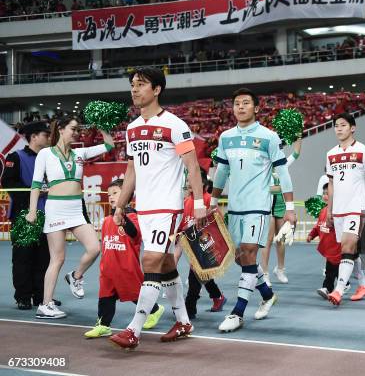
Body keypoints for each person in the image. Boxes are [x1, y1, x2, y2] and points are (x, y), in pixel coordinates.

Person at [110, 67, 205, 350]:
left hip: (167, 207)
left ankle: (134, 329)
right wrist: (121, 204)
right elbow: (131, 172)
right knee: (165, 265)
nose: (135, 89)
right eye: (132, 85)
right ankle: (184, 321)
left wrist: (198, 203)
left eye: (141, 84)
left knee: (150, 262)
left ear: (157, 89)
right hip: (144, 207)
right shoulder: (131, 128)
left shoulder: (175, 125)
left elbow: (192, 166)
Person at [213, 88, 296, 332]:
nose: (240, 107)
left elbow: (283, 171)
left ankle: (237, 312)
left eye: (246, 103)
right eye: (237, 103)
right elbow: (221, 172)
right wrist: (213, 201)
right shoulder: (225, 137)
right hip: (235, 208)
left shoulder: (269, 137)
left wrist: (290, 208)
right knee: (241, 258)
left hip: (258, 207)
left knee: (250, 252)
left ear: (256, 108)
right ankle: (268, 294)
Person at [27, 116, 114, 319]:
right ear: (62, 129)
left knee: (95, 248)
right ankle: (45, 305)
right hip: (56, 209)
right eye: (73, 129)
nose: (77, 133)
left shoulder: (80, 152)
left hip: (76, 210)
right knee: (57, 259)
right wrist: (32, 211)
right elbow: (36, 184)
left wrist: (102, 125)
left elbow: (109, 145)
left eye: (78, 130)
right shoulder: (46, 154)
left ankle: (75, 276)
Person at [84, 179, 164, 338]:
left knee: (135, 293)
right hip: (107, 269)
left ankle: (154, 310)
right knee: (105, 296)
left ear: (127, 195)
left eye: (115, 193)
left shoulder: (133, 217)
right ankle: (103, 325)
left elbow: (135, 234)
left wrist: (123, 219)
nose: (111, 197)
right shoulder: (107, 220)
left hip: (126, 267)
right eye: (109, 195)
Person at [325, 112, 365, 306]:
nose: (339, 128)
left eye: (343, 125)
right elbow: (331, 185)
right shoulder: (330, 154)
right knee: (349, 251)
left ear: (352, 128)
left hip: (356, 208)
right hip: (338, 210)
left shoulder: (364, 151)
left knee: (348, 246)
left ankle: (339, 289)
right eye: (336, 126)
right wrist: (329, 211)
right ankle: (363, 284)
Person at [1, 121, 52, 310]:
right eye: (45, 134)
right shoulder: (16, 156)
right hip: (23, 216)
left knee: (44, 258)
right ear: (33, 136)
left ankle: (40, 296)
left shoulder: (49, 157)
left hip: (47, 216)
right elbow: (8, 183)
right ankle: (23, 296)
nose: (48, 137)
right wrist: (35, 192)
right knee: (23, 258)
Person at [175, 170, 226, 319]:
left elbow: (220, 224)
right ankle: (218, 297)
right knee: (203, 276)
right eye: (188, 180)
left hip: (207, 247)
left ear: (202, 184)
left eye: (192, 180)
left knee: (194, 280)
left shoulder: (210, 201)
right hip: (193, 249)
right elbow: (181, 226)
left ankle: (189, 310)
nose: (189, 183)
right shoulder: (185, 203)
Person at [261, 137, 302, 284]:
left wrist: (297, 135)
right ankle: (264, 273)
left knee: (282, 239)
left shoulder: (283, 164)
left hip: (281, 206)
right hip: (267, 206)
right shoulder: (262, 166)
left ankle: (280, 269)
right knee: (267, 240)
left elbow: (296, 152)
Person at [306, 183, 349, 298]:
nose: (325, 196)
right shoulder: (323, 211)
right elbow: (318, 226)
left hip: (336, 247)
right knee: (334, 269)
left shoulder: (338, 212)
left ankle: (328, 287)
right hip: (327, 247)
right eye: (324, 193)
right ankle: (344, 283)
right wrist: (312, 235)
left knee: (331, 270)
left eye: (328, 193)